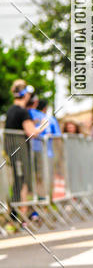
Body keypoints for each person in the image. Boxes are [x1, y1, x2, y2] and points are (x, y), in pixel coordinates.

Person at [4, 80, 43, 220]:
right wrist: (43, 126)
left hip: (13, 150)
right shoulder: (22, 112)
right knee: (21, 180)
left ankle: (17, 212)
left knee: (19, 180)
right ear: (25, 95)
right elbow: (32, 132)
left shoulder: (11, 110)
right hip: (19, 151)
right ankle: (16, 213)